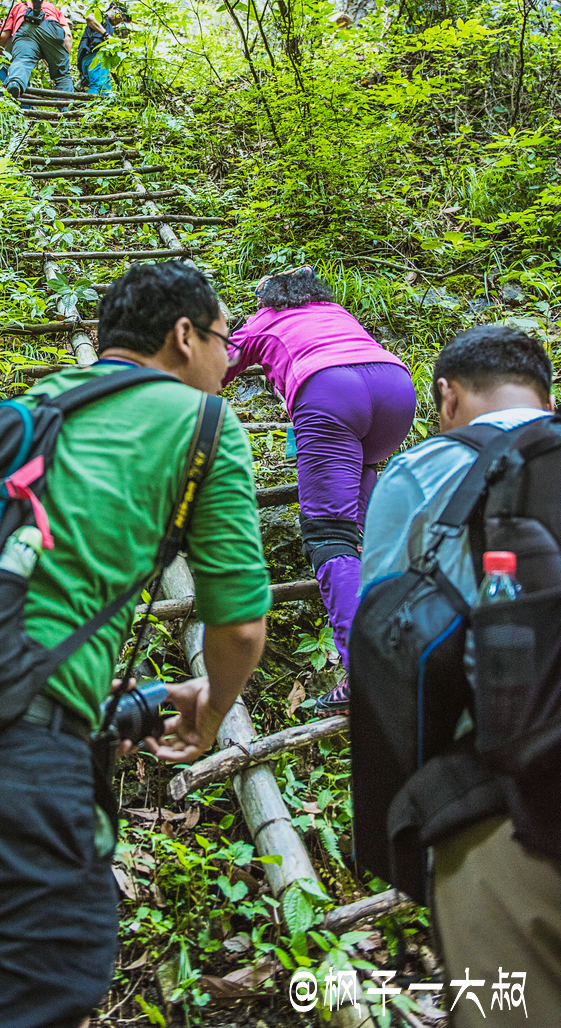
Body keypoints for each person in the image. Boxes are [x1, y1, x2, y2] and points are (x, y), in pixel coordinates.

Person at [0, 260, 270, 1028]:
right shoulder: (198, 420)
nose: (232, 361)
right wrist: (209, 708)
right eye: (227, 338)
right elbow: (237, 626)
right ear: (184, 335)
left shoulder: (20, 413)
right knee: (32, 985)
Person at [360, 325, 561, 1028]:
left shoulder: (421, 472)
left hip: (510, 810)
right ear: (544, 391)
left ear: (445, 396)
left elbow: (386, 640)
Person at [223, 266, 416, 714]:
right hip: (394, 389)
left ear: (267, 300)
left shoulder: (265, 319)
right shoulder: (336, 311)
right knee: (362, 530)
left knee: (329, 535)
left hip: (330, 390)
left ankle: (365, 676)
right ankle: (404, 640)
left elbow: (216, 370)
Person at [0, 0, 74, 97]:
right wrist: (61, 61)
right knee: (62, 75)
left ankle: (15, 83)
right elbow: (67, 36)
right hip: (51, 26)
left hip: (25, 28)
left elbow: (3, 36)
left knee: (22, 61)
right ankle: (66, 105)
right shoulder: (53, 8)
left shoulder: (18, 7)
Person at [76, 2, 131, 96]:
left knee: (105, 87)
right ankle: (91, 109)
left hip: (89, 58)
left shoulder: (108, 26)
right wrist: (107, 36)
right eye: (122, 16)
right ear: (114, 8)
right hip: (95, 56)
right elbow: (89, 18)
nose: (121, 20)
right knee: (98, 85)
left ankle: (101, 109)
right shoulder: (101, 16)